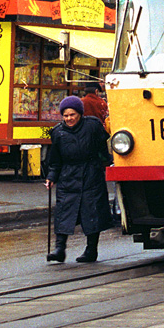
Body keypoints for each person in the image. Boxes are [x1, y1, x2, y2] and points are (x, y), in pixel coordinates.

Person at [46, 95, 112, 263]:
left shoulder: (92, 126)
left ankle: (91, 250)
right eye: (66, 115)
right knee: (64, 212)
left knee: (91, 212)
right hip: (68, 176)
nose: (69, 119)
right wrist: (51, 177)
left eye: (72, 115)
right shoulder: (58, 132)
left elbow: (103, 149)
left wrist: (109, 164)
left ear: (80, 114)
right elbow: (55, 160)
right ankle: (59, 249)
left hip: (91, 174)